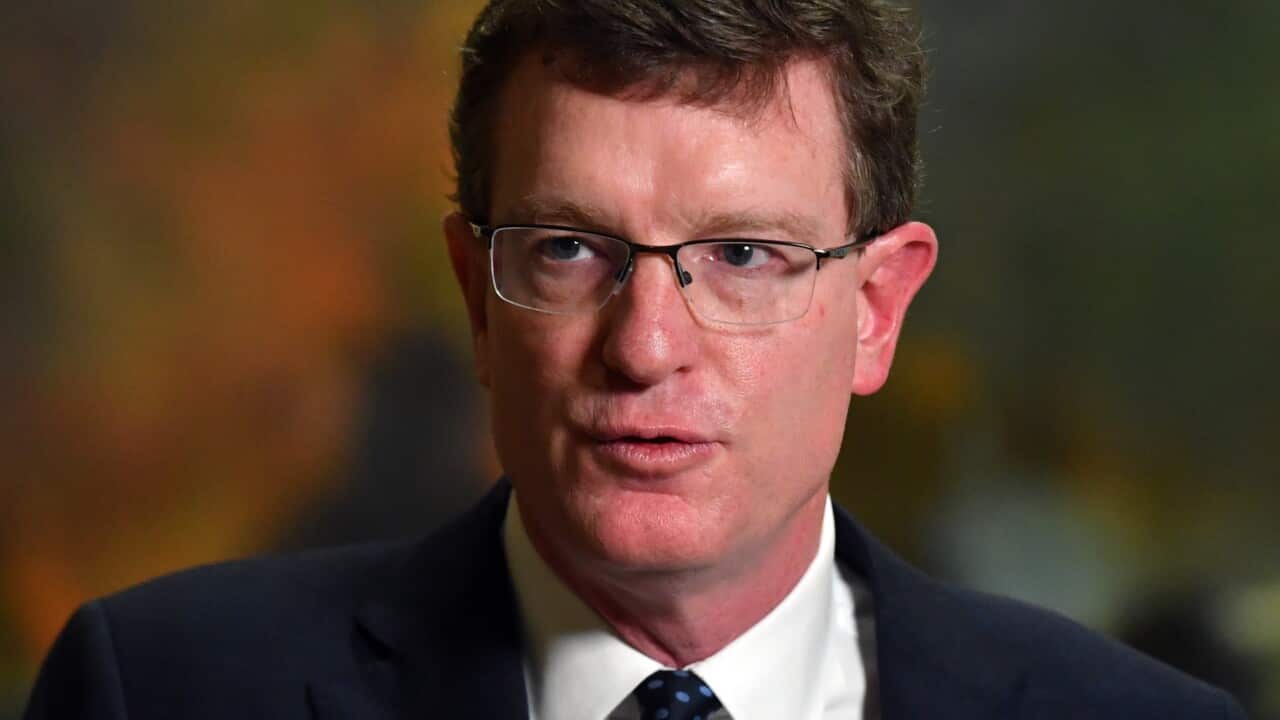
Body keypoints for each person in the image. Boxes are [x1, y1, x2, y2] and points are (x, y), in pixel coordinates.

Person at [24, 1, 1247, 718]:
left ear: (874, 309)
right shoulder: (163, 691)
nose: (646, 347)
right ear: (475, 295)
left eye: (743, 258)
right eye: (569, 247)